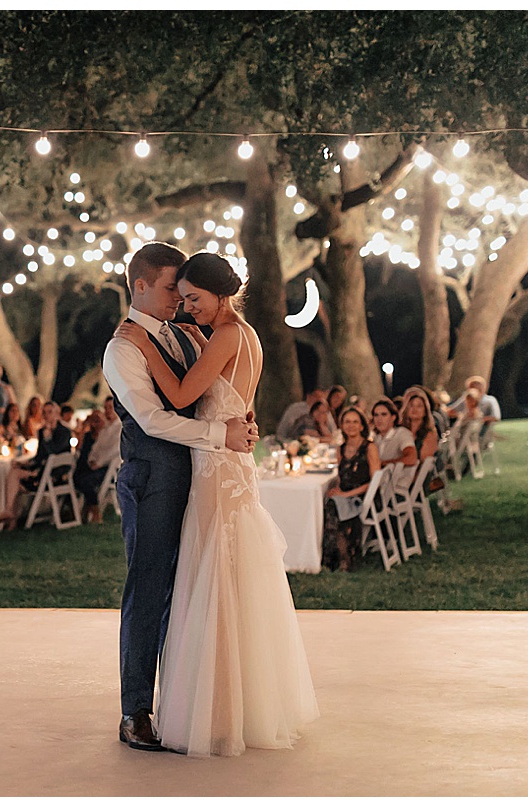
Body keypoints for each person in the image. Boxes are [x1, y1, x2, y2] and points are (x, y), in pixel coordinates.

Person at [109, 247, 314, 757]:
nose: (180, 301)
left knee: (197, 589)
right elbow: (156, 419)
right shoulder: (122, 348)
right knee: (151, 586)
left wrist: (232, 425)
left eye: (188, 292)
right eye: (170, 290)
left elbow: (206, 389)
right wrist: (220, 433)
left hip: (205, 478)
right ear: (139, 287)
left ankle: (205, 704)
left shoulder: (186, 334)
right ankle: (136, 710)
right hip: (155, 479)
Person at [0, 400, 73, 529]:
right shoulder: (42, 431)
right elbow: (40, 456)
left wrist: (47, 439)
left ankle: (9, 514)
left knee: (14, 479)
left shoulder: (64, 431)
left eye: (50, 412)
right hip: (41, 472)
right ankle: (12, 520)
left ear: (56, 413)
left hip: (53, 476)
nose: (46, 415)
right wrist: (23, 463)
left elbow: (53, 453)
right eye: (44, 413)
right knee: (15, 480)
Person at [322, 405, 380, 572]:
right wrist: (338, 489)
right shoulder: (340, 449)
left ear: (362, 426)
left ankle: (341, 557)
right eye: (347, 422)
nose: (351, 425)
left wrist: (346, 494)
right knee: (330, 501)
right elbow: (342, 476)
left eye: (355, 421)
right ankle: (339, 556)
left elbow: (374, 481)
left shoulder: (370, 448)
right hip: (345, 494)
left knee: (333, 506)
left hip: (363, 495)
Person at [371, 397, 418, 491]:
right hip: (380, 484)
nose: (379, 419)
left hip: (394, 488)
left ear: (393, 417)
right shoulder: (376, 439)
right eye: (376, 415)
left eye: (384, 415)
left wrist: (384, 463)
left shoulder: (401, 434)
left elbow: (412, 458)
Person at [73, 411, 111, 523]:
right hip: (86, 465)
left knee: (85, 481)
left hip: (100, 467)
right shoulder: (88, 436)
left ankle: (93, 509)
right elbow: (80, 449)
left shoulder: (106, 435)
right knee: (77, 478)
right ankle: (86, 508)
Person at [449, 375, 501, 443]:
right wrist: (459, 415)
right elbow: (452, 410)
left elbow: (495, 417)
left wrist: (479, 420)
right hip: (463, 429)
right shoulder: (466, 398)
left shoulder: (490, 401)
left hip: (479, 432)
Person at [399, 388, 439, 468]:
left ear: (425, 411)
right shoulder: (400, 430)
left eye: (419, 406)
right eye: (411, 405)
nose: (415, 409)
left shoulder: (430, 433)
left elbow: (424, 462)